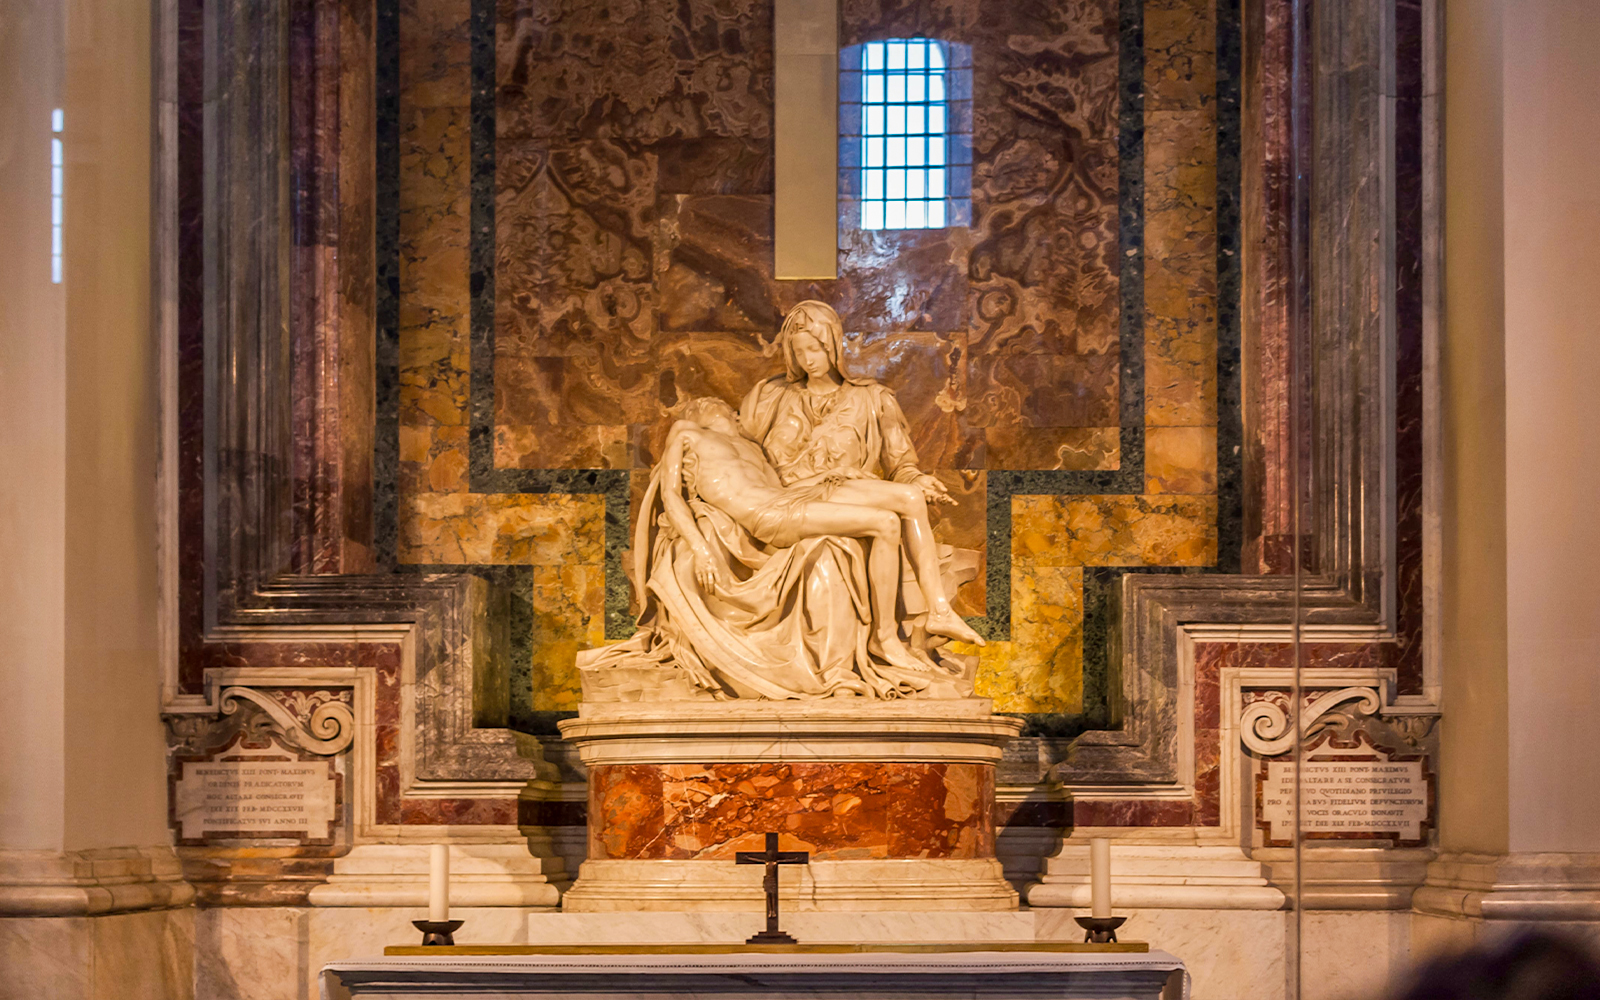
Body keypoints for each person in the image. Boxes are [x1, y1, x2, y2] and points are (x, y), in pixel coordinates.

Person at [659, 397, 984, 675]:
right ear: (699, 412)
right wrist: (700, 549)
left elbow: (780, 489)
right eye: (721, 408)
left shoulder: (750, 448)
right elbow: (671, 495)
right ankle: (884, 639)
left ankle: (940, 611)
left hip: (785, 500)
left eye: (732, 410)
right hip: (769, 516)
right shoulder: (686, 433)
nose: (732, 412)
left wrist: (829, 475)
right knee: (884, 523)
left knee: (910, 498)